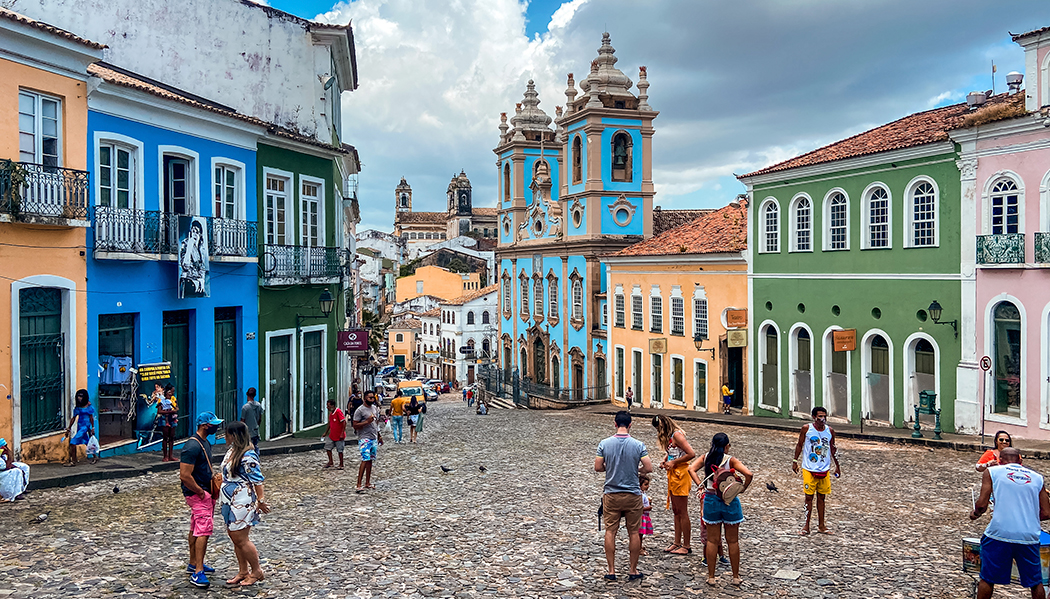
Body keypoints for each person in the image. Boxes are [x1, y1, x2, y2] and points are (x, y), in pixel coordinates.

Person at [970, 447, 1050, 599]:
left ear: (1000, 461)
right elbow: (1047, 512)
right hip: (1028, 536)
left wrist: (975, 514)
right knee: (1036, 582)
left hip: (999, 533)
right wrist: (1027, 516)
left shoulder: (992, 472)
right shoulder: (1037, 478)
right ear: (1020, 460)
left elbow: (981, 505)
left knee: (987, 578)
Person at [594, 411, 654, 582]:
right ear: (630, 425)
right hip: (632, 495)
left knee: (610, 531)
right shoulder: (638, 445)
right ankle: (632, 570)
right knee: (634, 532)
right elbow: (648, 468)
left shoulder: (604, 444)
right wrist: (637, 470)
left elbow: (598, 467)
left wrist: (610, 467)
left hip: (611, 494)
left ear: (615, 424)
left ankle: (611, 570)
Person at [691, 432, 752, 587]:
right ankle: (735, 576)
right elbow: (748, 474)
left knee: (712, 540)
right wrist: (742, 488)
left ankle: (711, 577)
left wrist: (701, 485)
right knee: (733, 541)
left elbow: (691, 469)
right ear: (727, 446)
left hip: (711, 500)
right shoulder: (730, 460)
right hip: (729, 501)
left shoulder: (706, 458)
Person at [219, 421, 270, 587]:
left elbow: (257, 479)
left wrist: (261, 501)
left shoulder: (247, 456)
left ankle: (256, 570)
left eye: (226, 434)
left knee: (241, 538)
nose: (224, 437)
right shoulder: (233, 451)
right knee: (234, 537)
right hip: (229, 500)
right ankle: (243, 570)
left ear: (233, 436)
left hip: (241, 500)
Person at [180, 411, 224, 588]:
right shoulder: (192, 446)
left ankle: (194, 563)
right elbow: (185, 475)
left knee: (195, 528)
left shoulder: (204, 443)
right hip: (198, 494)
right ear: (205, 425)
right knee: (203, 531)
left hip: (203, 492)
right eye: (213, 424)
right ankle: (198, 571)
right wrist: (200, 492)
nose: (216, 426)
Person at [651, 415, 696, 555]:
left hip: (681, 475)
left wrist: (673, 463)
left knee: (682, 511)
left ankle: (686, 545)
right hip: (673, 475)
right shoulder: (671, 437)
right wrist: (666, 460)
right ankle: (677, 542)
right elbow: (673, 453)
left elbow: (691, 453)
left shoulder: (677, 435)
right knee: (676, 511)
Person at [793, 406, 840, 536]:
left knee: (822, 497)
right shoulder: (807, 429)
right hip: (809, 468)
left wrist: (837, 465)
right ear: (814, 417)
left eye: (824, 416)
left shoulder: (830, 431)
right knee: (808, 497)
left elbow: (833, 449)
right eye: (820, 416)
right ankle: (806, 526)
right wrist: (795, 461)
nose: (822, 419)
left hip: (824, 468)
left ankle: (821, 525)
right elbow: (799, 444)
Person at [352, 391, 382, 493]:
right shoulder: (359, 410)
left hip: (373, 437)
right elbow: (355, 425)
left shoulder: (374, 408)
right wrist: (366, 422)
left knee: (370, 460)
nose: (372, 400)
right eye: (370, 398)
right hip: (364, 438)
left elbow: (376, 423)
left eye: (373, 398)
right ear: (365, 398)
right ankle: (358, 484)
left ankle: (367, 482)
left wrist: (379, 435)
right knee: (365, 459)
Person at [65, 389, 96, 466]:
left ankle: (74, 461)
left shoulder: (89, 407)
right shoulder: (78, 407)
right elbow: (73, 418)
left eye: (81, 396)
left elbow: (91, 417)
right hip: (80, 425)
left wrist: (92, 428)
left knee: (73, 442)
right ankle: (95, 457)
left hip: (85, 426)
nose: (79, 398)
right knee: (87, 442)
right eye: (78, 396)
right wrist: (69, 428)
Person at [321, 399, 346, 470]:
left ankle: (341, 464)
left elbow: (343, 422)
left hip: (339, 435)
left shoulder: (338, 412)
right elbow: (330, 423)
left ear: (332, 406)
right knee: (328, 447)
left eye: (328, 406)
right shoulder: (331, 414)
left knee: (340, 450)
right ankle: (330, 462)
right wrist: (326, 432)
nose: (327, 407)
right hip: (332, 435)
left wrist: (342, 433)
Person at [157, 384, 178, 462]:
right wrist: (169, 411)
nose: (172, 393)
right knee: (165, 437)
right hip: (164, 418)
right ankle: (165, 456)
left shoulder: (173, 399)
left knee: (172, 437)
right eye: (171, 391)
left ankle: (170, 456)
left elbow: (177, 407)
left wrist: (174, 410)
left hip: (172, 418)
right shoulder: (161, 400)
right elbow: (159, 411)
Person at [240, 387, 263, 453]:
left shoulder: (245, 407)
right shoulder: (259, 405)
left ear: (247, 394)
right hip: (256, 430)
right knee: (255, 446)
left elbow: (243, 420)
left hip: (248, 432)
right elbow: (260, 419)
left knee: (248, 448)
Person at [638, 474, 653, 555]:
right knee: (639, 534)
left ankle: (639, 546)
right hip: (641, 516)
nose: (647, 486)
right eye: (645, 484)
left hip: (644, 516)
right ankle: (638, 548)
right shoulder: (640, 495)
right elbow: (638, 508)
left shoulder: (643, 493)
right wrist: (648, 508)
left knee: (641, 534)